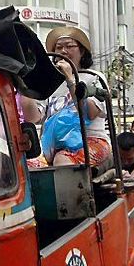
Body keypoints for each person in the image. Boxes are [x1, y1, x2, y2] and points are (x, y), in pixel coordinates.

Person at [41, 26, 111, 167]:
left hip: (91, 140)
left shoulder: (93, 77)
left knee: (62, 160)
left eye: (69, 46)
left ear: (82, 51)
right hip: (54, 145)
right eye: (58, 47)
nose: (63, 51)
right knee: (26, 165)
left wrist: (70, 79)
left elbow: (88, 113)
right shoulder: (49, 82)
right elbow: (35, 116)